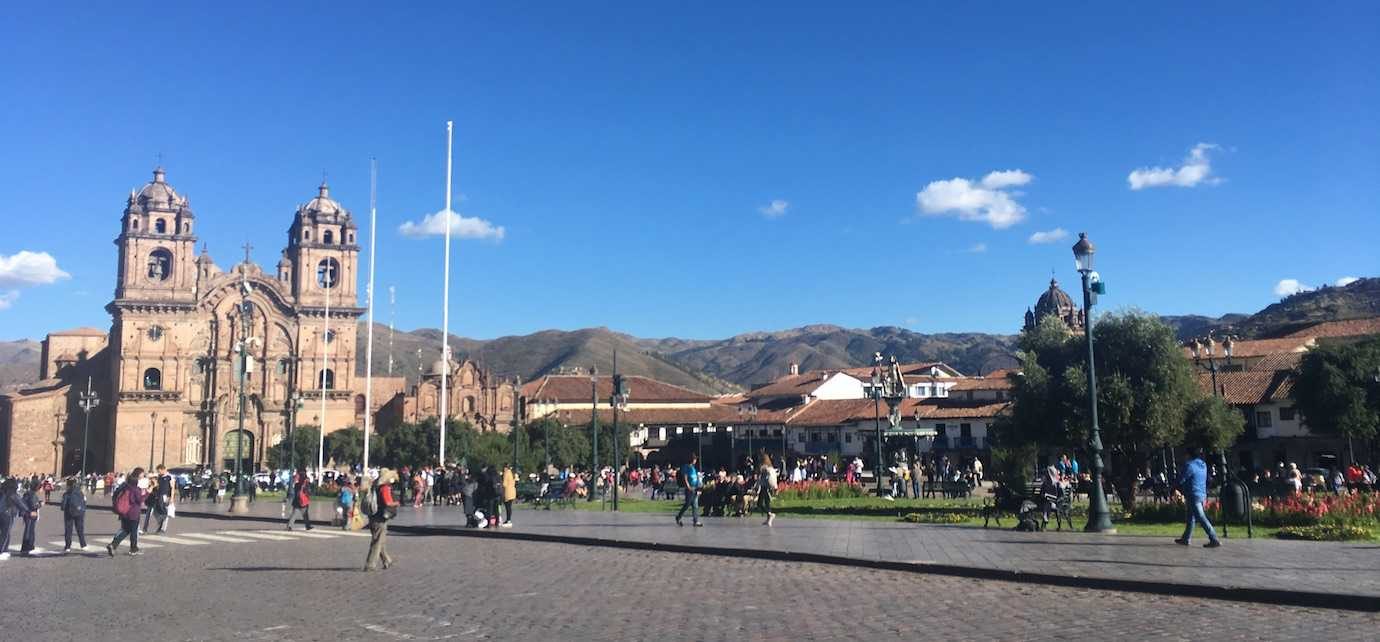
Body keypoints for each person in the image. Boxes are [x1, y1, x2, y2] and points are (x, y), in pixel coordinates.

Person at [1175, 449, 1221, 548]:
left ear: (1189, 455)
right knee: (1190, 517)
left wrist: (1173, 486)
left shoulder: (1189, 465)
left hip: (1193, 493)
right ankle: (1185, 538)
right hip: (1201, 493)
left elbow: (1182, 478)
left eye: (1185, 455)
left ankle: (1214, 538)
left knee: (1200, 517)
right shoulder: (1202, 465)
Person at [108, 468, 148, 556]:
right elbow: (139, 500)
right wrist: (147, 493)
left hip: (123, 512)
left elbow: (115, 494)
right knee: (133, 531)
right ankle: (133, 549)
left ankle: (113, 544)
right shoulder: (135, 489)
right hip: (133, 513)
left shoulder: (124, 486)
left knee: (126, 530)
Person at [364, 469, 398, 571]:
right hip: (380, 517)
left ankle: (387, 560)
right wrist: (396, 503)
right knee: (377, 541)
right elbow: (388, 502)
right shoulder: (385, 488)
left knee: (380, 540)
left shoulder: (375, 486)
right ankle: (370, 564)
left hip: (373, 515)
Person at [142, 464, 174, 534]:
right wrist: (153, 483)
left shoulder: (170, 477)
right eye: (158, 471)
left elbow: (172, 488)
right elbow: (155, 485)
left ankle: (162, 529)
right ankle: (146, 529)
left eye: (159, 471)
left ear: (163, 469)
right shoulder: (158, 477)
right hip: (156, 496)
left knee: (164, 513)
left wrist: (171, 498)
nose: (159, 473)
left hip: (165, 496)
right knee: (153, 513)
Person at [61, 476, 89, 552]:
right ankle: (83, 545)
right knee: (80, 529)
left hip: (68, 513)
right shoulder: (80, 493)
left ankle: (67, 547)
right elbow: (84, 502)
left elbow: (63, 506)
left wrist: (63, 507)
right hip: (79, 513)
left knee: (68, 530)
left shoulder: (66, 494)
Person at [676, 454, 703, 527]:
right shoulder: (686, 467)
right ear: (691, 459)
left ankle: (696, 521)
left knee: (695, 505)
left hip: (695, 488)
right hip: (689, 488)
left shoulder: (693, 467)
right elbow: (685, 477)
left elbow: (696, 477)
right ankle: (678, 517)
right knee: (687, 504)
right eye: (695, 459)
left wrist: (698, 486)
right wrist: (688, 486)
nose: (696, 460)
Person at [18, 480, 41, 555]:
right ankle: (28, 547)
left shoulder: (27, 493)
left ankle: (26, 547)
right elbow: (33, 505)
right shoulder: (33, 494)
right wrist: (40, 504)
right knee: (30, 531)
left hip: (26, 514)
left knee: (28, 530)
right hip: (31, 514)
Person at [0, 478, 20, 560]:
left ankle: (4, 549)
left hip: (2, 513)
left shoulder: (2, 492)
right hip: (7, 514)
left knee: (5, 533)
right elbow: (20, 503)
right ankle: (1, 551)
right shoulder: (12, 494)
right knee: (6, 533)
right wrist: (28, 511)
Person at [758, 454, 777, 526]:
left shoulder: (764, 467)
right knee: (766, 503)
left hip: (765, 487)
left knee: (760, 503)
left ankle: (770, 515)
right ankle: (769, 518)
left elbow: (762, 478)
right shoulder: (770, 467)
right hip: (767, 487)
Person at [501, 463, 516, 528]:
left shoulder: (506, 473)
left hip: (507, 492)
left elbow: (504, 484)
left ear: (505, 467)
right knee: (509, 507)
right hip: (512, 491)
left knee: (507, 507)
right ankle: (508, 519)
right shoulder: (512, 473)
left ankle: (508, 520)